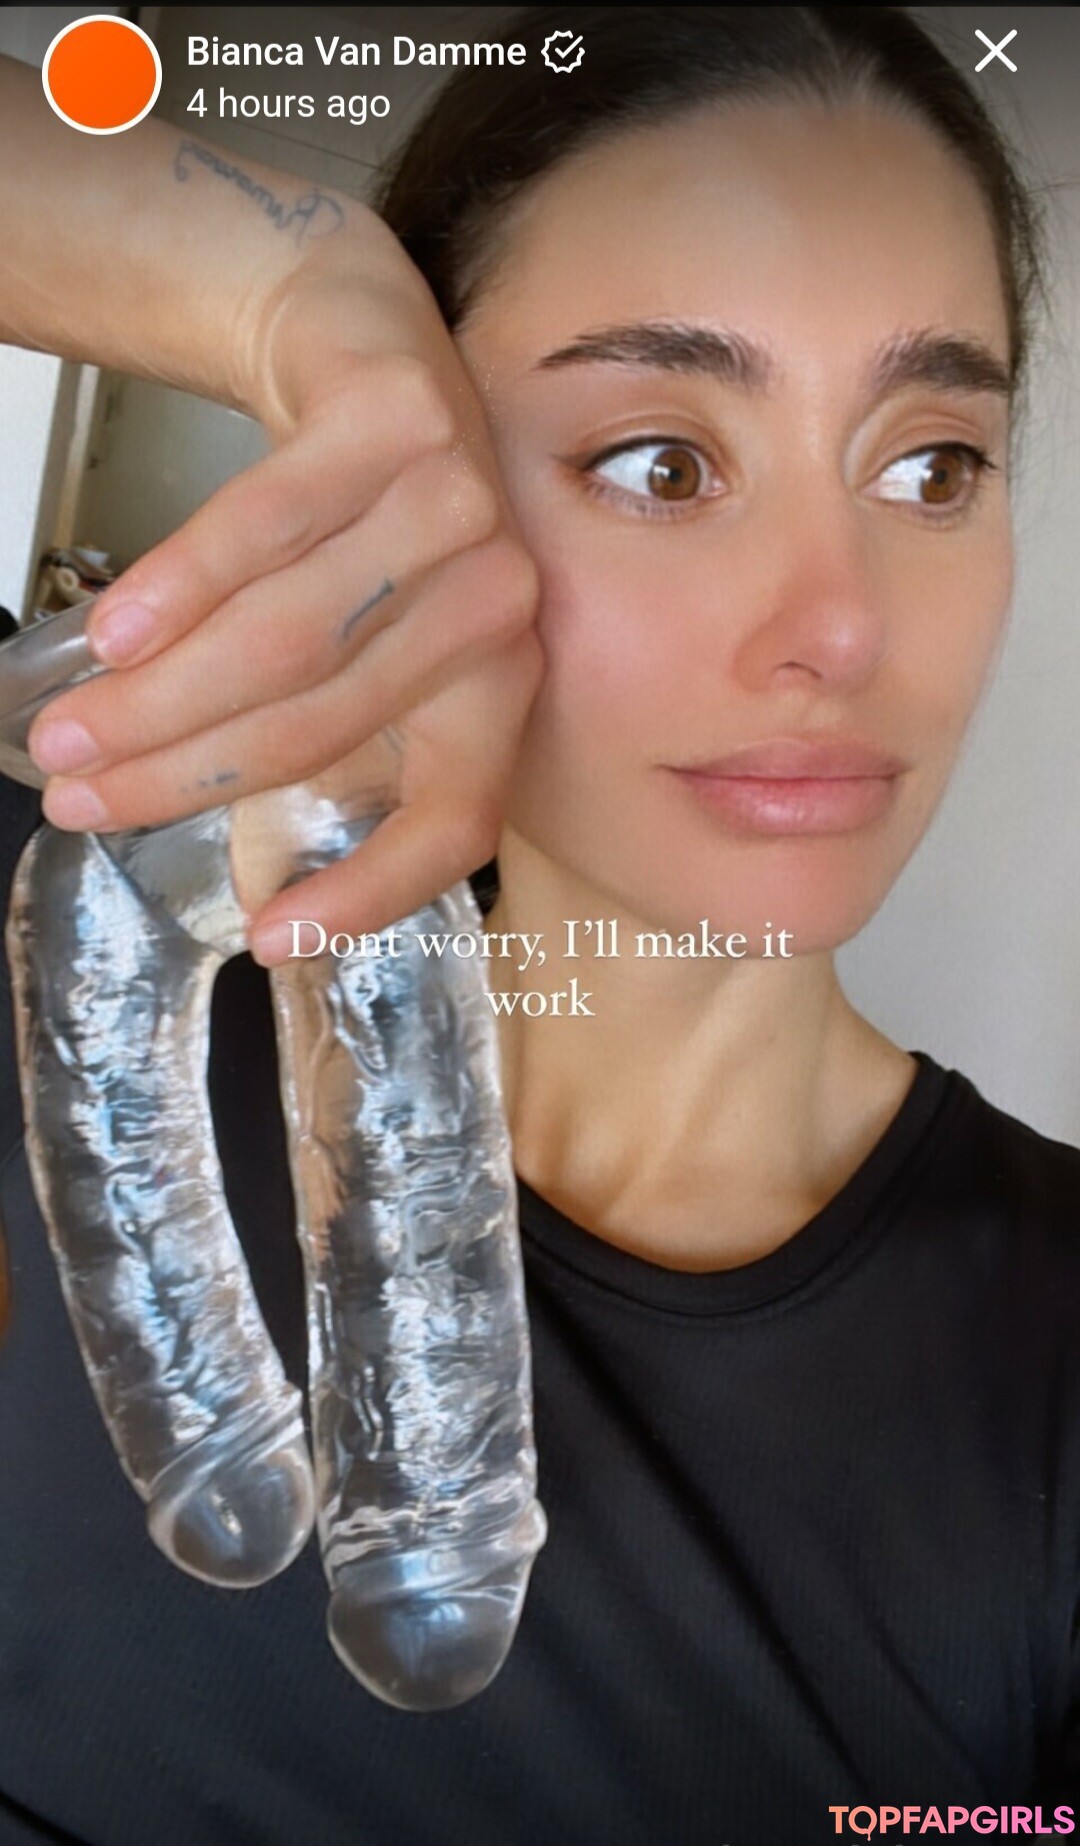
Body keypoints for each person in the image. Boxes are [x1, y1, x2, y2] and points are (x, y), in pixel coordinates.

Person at [1, 7, 1079, 1843]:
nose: (843, 626)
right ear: (414, 489)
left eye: (931, 467)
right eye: (661, 460)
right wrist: (292, 294)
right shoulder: (88, 942)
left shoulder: (1049, 1368)